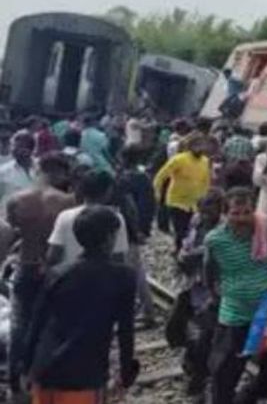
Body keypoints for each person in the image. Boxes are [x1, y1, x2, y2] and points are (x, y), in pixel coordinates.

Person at [23, 206, 139, 404]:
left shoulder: (58, 273)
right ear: (109, 237)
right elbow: (125, 330)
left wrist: (26, 367)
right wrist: (126, 370)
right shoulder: (123, 277)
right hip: (85, 373)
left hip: (45, 369)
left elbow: (37, 322)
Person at [204, 187, 267, 404]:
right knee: (224, 373)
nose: (242, 218)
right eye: (235, 213)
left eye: (247, 212)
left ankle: (246, 398)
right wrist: (218, 296)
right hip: (235, 315)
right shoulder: (215, 240)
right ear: (225, 214)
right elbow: (210, 273)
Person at [5, 153, 76, 399]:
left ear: (39, 169)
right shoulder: (69, 202)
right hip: (54, 270)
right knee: (50, 325)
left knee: (20, 324)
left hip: (26, 265)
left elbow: (14, 233)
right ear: (62, 172)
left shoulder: (18, 199)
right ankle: (45, 379)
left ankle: (16, 378)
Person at [176, 188, 225, 397]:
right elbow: (189, 240)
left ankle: (199, 377)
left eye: (209, 212)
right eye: (203, 212)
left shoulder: (225, 227)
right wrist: (182, 252)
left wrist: (191, 255)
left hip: (212, 286)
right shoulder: (196, 220)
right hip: (193, 282)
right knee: (187, 325)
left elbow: (212, 250)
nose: (205, 216)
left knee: (205, 334)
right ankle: (194, 366)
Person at [47, 170, 131, 268]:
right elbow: (119, 257)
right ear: (108, 191)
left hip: (71, 278)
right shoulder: (115, 218)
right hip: (103, 279)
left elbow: (53, 255)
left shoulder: (65, 216)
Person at [118, 144, 158, 326]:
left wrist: (137, 230)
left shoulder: (126, 179)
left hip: (129, 230)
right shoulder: (144, 177)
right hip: (136, 229)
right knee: (136, 270)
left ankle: (147, 311)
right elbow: (149, 205)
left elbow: (132, 208)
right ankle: (144, 308)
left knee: (133, 271)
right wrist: (145, 228)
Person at [154, 135, 211, 253]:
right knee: (180, 228)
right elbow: (161, 176)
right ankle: (178, 249)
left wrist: (205, 197)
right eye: (197, 145)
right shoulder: (179, 159)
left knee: (191, 228)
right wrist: (157, 193)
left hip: (195, 202)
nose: (200, 148)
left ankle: (186, 249)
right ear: (190, 146)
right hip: (177, 200)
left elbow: (206, 181)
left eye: (202, 145)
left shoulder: (205, 161)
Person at [0, 132, 36, 219]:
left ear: (30, 149)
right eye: (12, 146)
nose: (13, 150)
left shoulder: (42, 169)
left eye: (17, 147)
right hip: (9, 218)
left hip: (36, 218)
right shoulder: (3, 171)